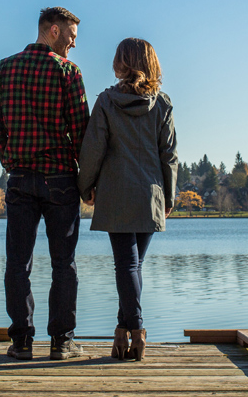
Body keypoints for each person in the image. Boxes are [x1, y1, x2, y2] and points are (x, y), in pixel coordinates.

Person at [0, 7, 90, 361]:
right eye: (72, 36)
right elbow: (81, 133)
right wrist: (85, 178)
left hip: (20, 179)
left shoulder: (2, 69)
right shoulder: (67, 72)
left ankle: (21, 342)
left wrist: (13, 161)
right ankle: (62, 343)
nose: (74, 45)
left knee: (17, 264)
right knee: (64, 264)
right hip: (61, 178)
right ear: (53, 30)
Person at [77, 37, 177, 361]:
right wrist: (170, 196)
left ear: (121, 63)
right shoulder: (162, 103)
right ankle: (126, 333)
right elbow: (170, 156)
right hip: (150, 195)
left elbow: (93, 149)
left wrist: (85, 186)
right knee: (132, 266)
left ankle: (134, 330)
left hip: (116, 194)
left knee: (128, 265)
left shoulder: (106, 101)